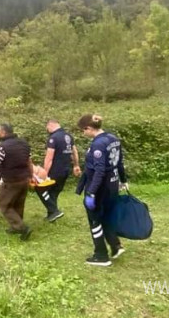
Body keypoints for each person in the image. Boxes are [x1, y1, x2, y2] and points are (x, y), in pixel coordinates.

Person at [76, 114, 129, 266]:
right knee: (106, 215)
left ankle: (101, 255)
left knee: (95, 219)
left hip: (99, 188)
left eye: (82, 130)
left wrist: (91, 192)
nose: (83, 134)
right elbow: (119, 162)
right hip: (112, 185)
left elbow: (99, 171)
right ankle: (116, 245)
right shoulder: (113, 139)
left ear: (89, 128)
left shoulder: (98, 144)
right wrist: (123, 180)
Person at [35, 119, 80, 222]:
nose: (47, 130)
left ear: (50, 125)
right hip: (65, 170)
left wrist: (44, 174)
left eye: (47, 128)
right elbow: (74, 152)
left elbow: (49, 158)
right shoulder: (68, 136)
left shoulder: (53, 138)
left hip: (54, 171)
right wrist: (76, 165)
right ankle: (51, 215)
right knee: (53, 193)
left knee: (40, 189)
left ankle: (55, 211)